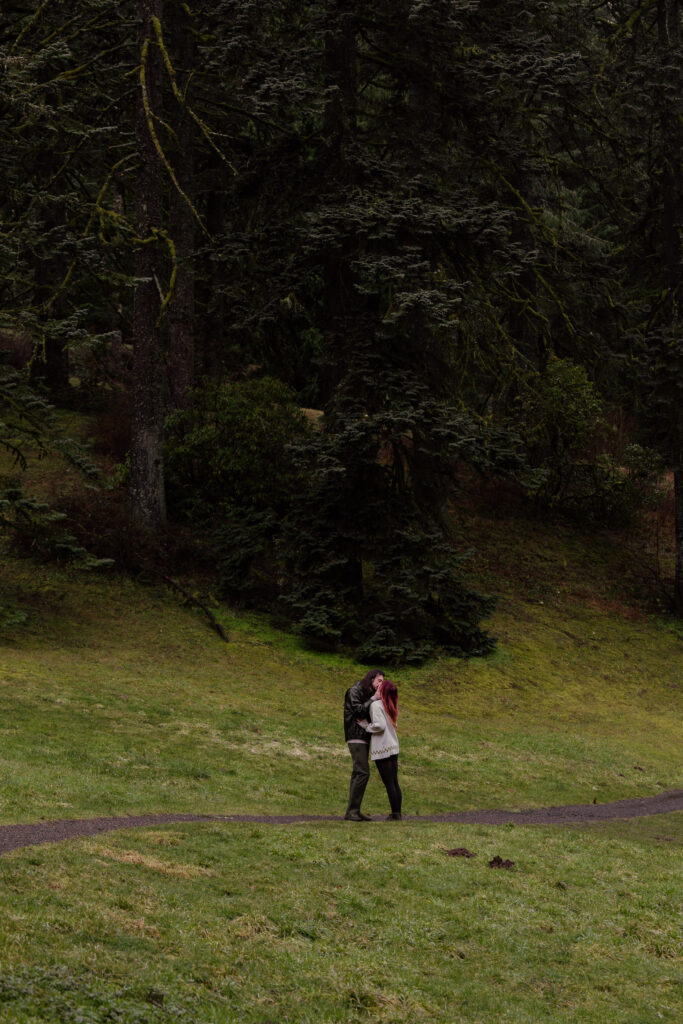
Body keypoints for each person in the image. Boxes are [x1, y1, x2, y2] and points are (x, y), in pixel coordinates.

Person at [343, 669, 384, 821]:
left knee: (358, 773)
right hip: (355, 735)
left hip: (364, 736)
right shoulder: (355, 690)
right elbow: (358, 710)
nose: (381, 684)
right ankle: (352, 812)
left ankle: (354, 811)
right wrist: (374, 698)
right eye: (379, 681)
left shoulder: (368, 694)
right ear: (371, 679)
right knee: (362, 772)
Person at [364, 678, 402, 820]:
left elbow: (379, 725)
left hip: (383, 748)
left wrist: (366, 726)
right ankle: (397, 812)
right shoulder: (391, 705)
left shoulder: (376, 705)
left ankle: (395, 815)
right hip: (393, 746)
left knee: (389, 783)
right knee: (394, 782)